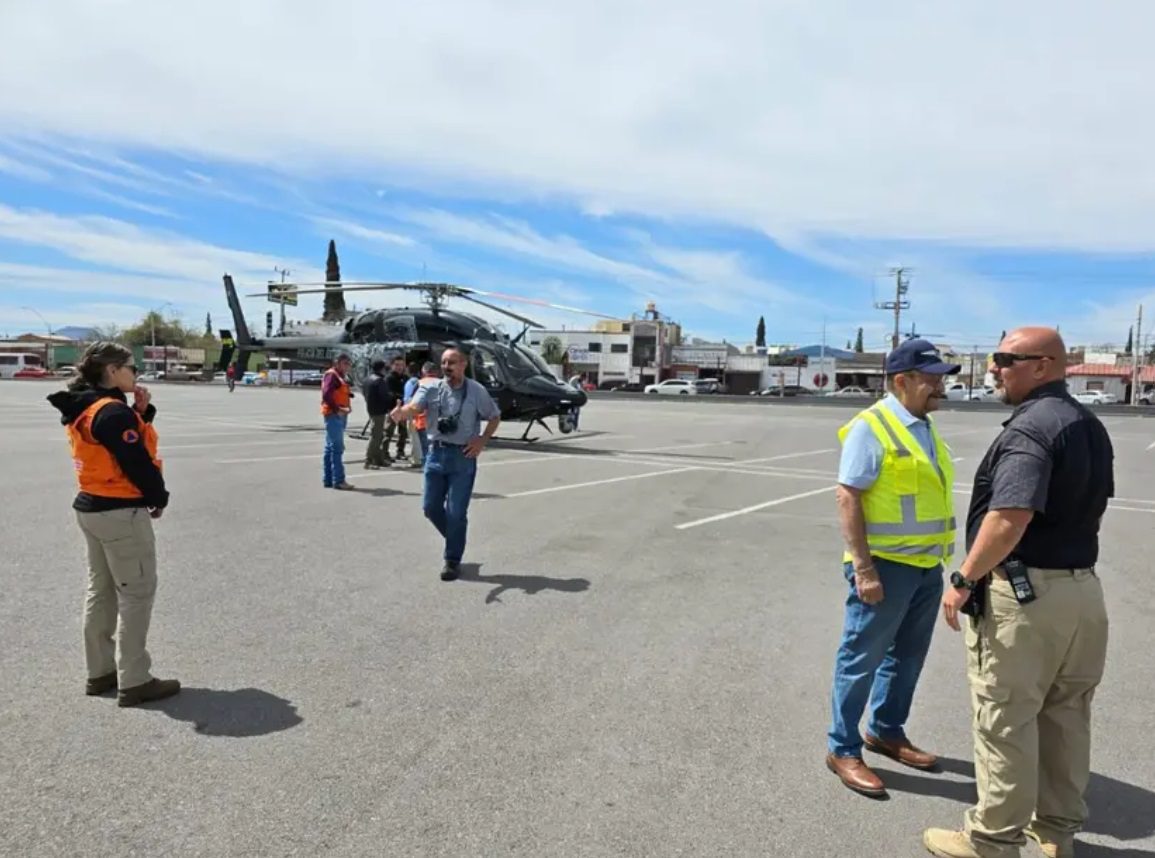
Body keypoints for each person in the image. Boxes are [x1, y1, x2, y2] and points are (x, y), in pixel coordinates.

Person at [924, 328, 1113, 858]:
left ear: (1043, 365)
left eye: (1005, 359)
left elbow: (1010, 517)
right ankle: (1056, 833)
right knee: (1066, 716)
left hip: (1027, 599)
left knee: (1004, 717)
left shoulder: (1032, 428)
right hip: (1081, 594)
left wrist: (963, 579)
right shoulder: (1087, 424)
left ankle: (992, 839)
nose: (993, 370)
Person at [826, 338, 960, 796]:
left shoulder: (923, 426)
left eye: (943, 377)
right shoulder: (873, 425)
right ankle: (842, 748)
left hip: (925, 567)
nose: (941, 386)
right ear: (902, 381)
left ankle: (886, 729)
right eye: (932, 379)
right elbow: (849, 496)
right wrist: (864, 569)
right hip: (884, 567)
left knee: (907, 657)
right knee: (860, 658)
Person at [47, 341, 181, 707]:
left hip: (91, 507)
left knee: (101, 590)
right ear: (112, 371)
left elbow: (118, 448)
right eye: (131, 368)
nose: (135, 374)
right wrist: (158, 497)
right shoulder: (112, 413)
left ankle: (100, 671)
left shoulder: (86, 406)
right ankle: (135, 679)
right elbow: (136, 462)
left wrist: (142, 413)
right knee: (136, 594)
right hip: (120, 511)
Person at [389, 349, 501, 580]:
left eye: (452, 362)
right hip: (436, 455)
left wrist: (481, 441)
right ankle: (456, 540)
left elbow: (494, 416)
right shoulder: (431, 388)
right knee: (430, 508)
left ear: (464, 364)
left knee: (456, 512)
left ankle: (452, 559)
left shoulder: (476, 391)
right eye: (444, 363)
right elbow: (414, 408)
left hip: (463, 457)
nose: (447, 366)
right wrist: (401, 412)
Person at [321, 353, 354, 490]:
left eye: (348, 364)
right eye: (345, 363)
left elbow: (335, 392)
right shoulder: (332, 375)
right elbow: (326, 394)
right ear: (337, 363)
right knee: (337, 448)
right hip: (334, 415)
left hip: (337, 414)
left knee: (330, 448)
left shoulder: (339, 376)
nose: (347, 366)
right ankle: (339, 480)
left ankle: (328, 479)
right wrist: (337, 409)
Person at [362, 359, 392, 469]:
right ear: (382, 369)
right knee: (376, 436)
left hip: (371, 409)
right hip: (379, 411)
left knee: (377, 434)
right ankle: (368, 460)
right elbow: (385, 396)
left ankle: (378, 459)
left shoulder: (367, 380)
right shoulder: (380, 381)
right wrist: (390, 404)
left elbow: (365, 394)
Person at [382, 356, 409, 464]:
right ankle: (384, 453)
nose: (399, 367)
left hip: (404, 409)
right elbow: (389, 393)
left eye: (401, 365)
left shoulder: (406, 378)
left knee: (403, 432)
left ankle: (400, 451)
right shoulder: (389, 378)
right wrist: (401, 396)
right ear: (392, 365)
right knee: (388, 432)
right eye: (397, 365)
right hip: (392, 409)